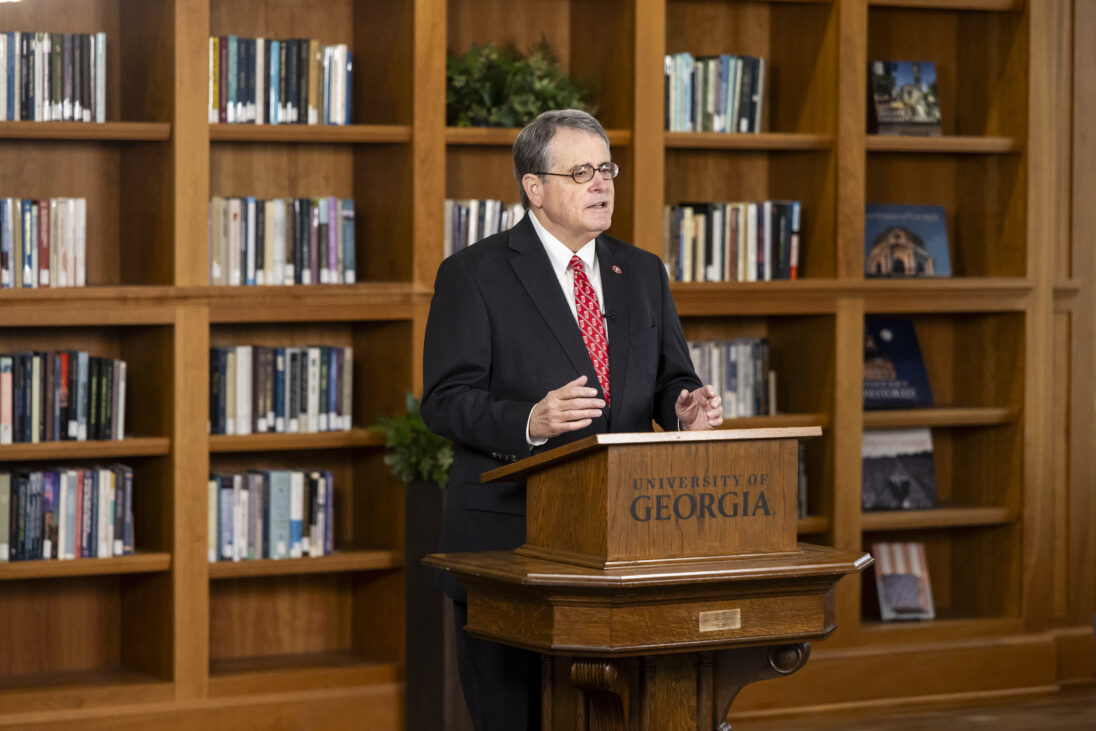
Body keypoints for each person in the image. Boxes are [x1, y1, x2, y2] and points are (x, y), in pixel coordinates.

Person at [420, 109, 723, 731]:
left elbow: (670, 376)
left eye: (606, 168)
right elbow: (445, 401)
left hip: (623, 539)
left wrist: (685, 406)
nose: (601, 184)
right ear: (534, 187)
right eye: (580, 172)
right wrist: (529, 419)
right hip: (513, 544)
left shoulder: (639, 270)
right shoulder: (473, 275)